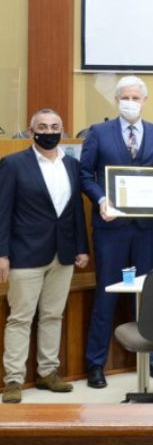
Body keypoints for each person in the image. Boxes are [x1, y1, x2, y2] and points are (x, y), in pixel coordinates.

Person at [79, 74, 153, 390]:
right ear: (116, 100)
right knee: (106, 296)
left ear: (144, 101)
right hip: (111, 229)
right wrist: (102, 199)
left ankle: (148, 359)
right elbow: (85, 174)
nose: (130, 102)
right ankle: (95, 364)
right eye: (125, 97)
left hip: (147, 230)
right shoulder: (98, 132)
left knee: (146, 297)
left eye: (136, 97)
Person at [0, 109, 87, 403]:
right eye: (42, 126)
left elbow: (75, 210)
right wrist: (2, 254)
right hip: (25, 254)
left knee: (53, 315)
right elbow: (3, 212)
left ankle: (48, 372)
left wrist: (81, 248)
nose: (48, 131)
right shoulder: (13, 164)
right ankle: (13, 379)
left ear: (63, 131)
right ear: (30, 130)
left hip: (63, 254)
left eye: (54, 127)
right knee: (20, 318)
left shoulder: (72, 165)